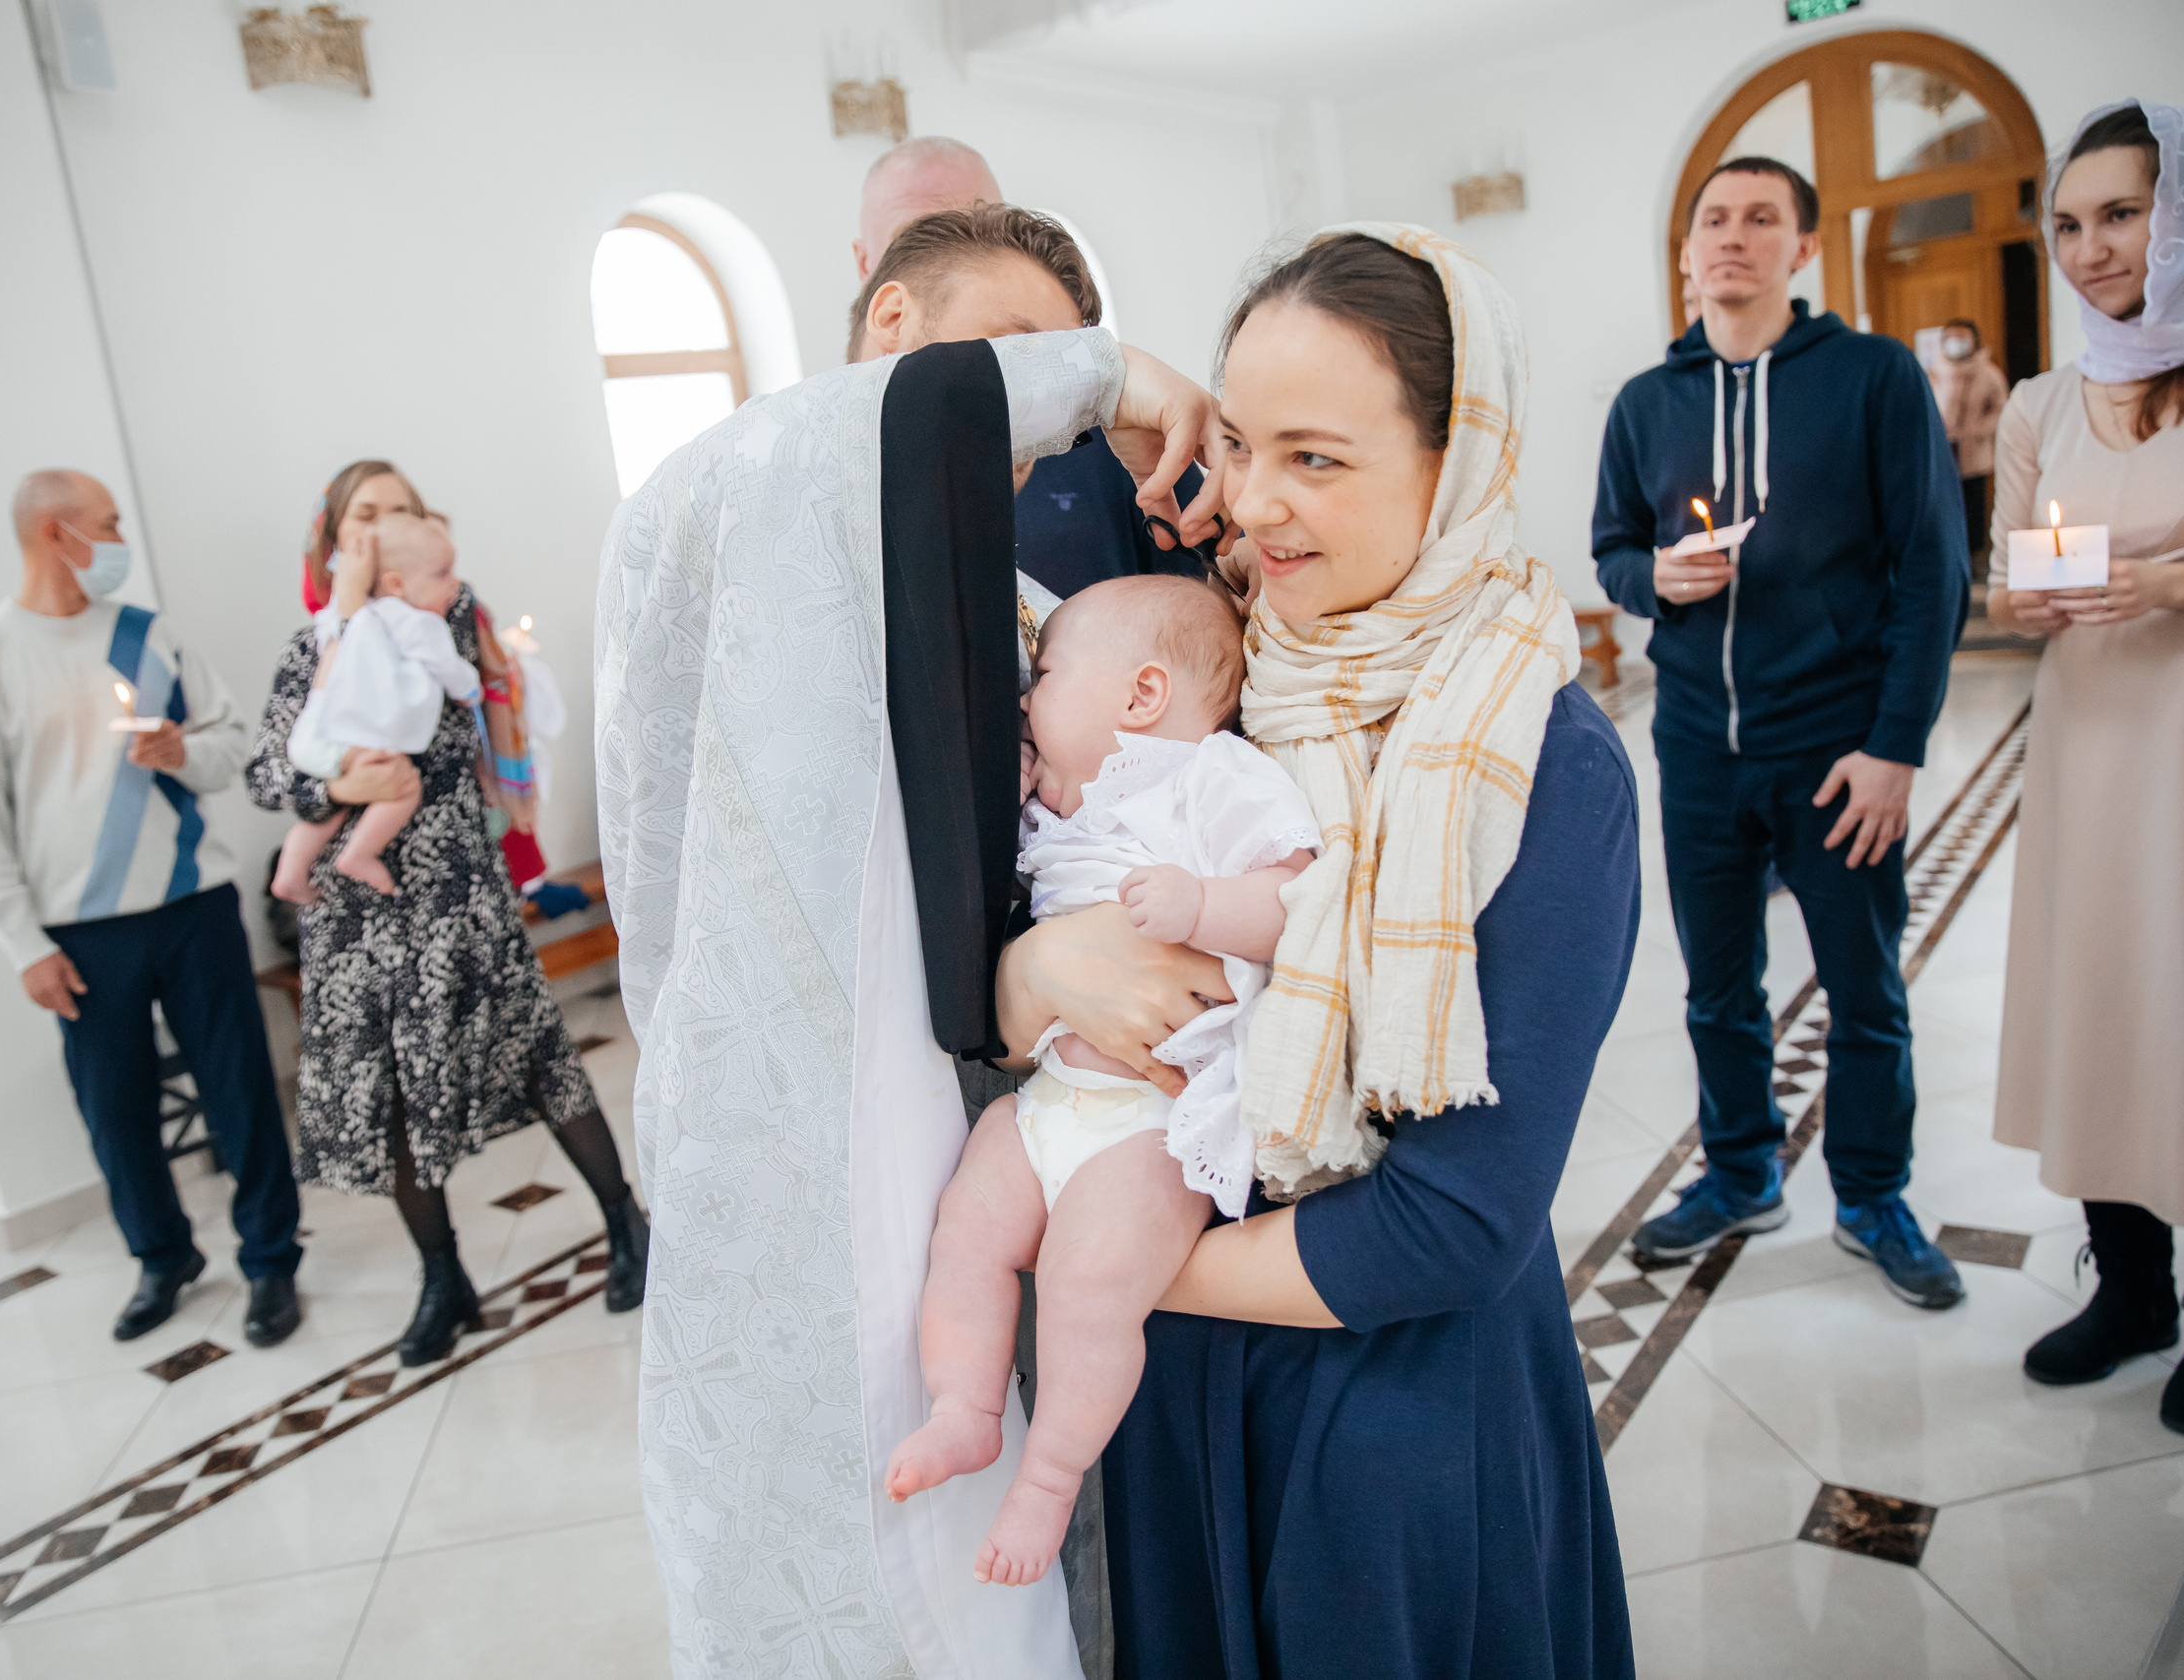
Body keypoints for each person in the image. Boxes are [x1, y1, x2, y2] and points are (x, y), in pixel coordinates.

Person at [987, 223, 1637, 1674]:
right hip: (1174, 1394)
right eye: (1247, 443)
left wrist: (1101, 1262)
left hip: (1388, 1412)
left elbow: (1455, 1224)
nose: (1260, 506)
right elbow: (1019, 940)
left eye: (1320, 458)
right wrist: (1032, 977)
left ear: (1456, 457)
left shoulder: (1543, 762)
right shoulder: (1207, 675)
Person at [597, 247, 1226, 1671]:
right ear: (892, 320)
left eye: (1052, 375)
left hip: (952, 1127)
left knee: (990, 1548)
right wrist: (1117, 370)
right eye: (1009, 355)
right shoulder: (724, 486)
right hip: (775, 1129)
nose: (1036, 421)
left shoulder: (999, 604)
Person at [886, 575, 1318, 1587]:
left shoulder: (1214, 779)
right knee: (967, 1230)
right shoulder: (1052, 804)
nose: (1024, 698)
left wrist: (1204, 904)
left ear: (1138, 697)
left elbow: (1299, 895)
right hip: (1052, 1101)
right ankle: (966, 1408)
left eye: (1041, 677)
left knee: (1086, 1285)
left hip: (1154, 1127)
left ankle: (1049, 1479)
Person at [1592, 156, 1970, 1309]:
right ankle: (1742, 1170)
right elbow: (1611, 549)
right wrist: (1655, 576)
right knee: (1717, 988)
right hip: (1700, 744)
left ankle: (1870, 1194)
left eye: (1762, 219)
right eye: (1714, 219)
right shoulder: (1645, 403)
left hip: (1836, 745)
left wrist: (1895, 743)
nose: (1733, 237)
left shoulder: (1869, 379)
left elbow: (1931, 568)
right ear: (1686, 248)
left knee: (1862, 990)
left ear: (1803, 250)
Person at [1984, 99, 2184, 1440]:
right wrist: (2032, 600)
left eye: (2124, 214)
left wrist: (2178, 580)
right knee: (2103, 1001)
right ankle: (2130, 1284)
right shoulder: (2046, 397)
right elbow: (2010, 575)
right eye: (2071, 222)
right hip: (2092, 744)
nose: (2092, 249)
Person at [249, 460, 647, 1365]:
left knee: (538, 1061)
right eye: (364, 517)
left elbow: (442, 723)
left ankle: (626, 1222)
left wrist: (365, 638)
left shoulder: (443, 614)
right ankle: (444, 1277)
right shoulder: (309, 646)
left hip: (452, 892)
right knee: (391, 1104)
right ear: (337, 539)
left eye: (400, 512)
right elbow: (272, 769)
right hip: (353, 920)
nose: (383, 528)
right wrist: (333, 780)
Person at [0, 469, 303, 1346]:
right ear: (57, 534)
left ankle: (270, 1261)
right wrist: (21, 941)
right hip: (79, 932)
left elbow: (235, 746)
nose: (119, 538)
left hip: (190, 902)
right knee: (115, 1105)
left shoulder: (147, 635)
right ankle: (161, 1254)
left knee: (240, 1089)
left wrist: (183, 751)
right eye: (107, 523)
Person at [851, 135, 1206, 598]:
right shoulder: (793, 464)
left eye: (975, 226)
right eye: (916, 235)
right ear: (876, 284)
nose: (949, 254)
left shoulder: (1116, 440)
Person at [272, 513, 479, 902]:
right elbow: (448, 668)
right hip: (349, 741)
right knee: (402, 788)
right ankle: (359, 855)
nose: (455, 583)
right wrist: (470, 688)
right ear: (396, 583)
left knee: (335, 810)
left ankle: (291, 871)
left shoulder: (341, 618)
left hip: (314, 737)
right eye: (443, 573)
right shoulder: (417, 623)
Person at [1930, 316, 2009, 569]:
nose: (1955, 343)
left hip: (1973, 449)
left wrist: (1978, 429)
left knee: (1973, 504)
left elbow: (2002, 409)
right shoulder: (1933, 371)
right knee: (1944, 502)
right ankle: (1948, 553)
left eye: (1961, 338)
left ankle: (1975, 555)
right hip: (1943, 447)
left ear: (1974, 340)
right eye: (1951, 338)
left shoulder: (1989, 373)